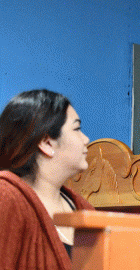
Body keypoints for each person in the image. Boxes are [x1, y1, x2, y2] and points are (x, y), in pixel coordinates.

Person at [0, 89, 94, 269]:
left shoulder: (84, 208)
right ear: (47, 143)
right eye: (77, 129)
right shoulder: (6, 197)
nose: (86, 139)